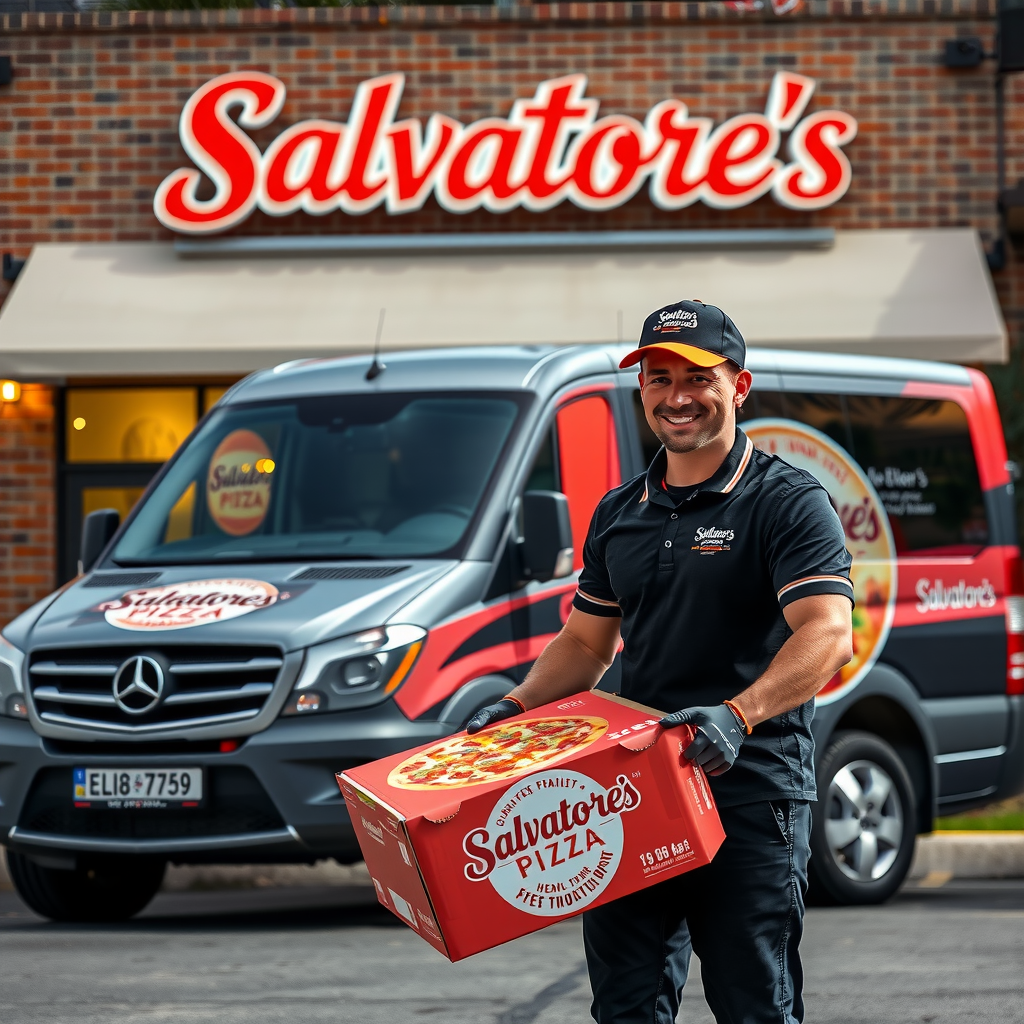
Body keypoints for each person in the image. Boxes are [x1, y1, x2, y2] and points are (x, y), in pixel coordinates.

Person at [467, 299, 854, 1024]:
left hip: (749, 792)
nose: (677, 395)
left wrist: (739, 715)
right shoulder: (620, 511)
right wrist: (514, 709)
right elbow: (586, 645)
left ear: (738, 386)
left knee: (756, 1007)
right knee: (626, 1008)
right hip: (631, 795)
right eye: (658, 376)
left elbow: (827, 633)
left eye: (697, 377)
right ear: (641, 388)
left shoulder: (788, 502)